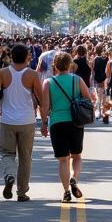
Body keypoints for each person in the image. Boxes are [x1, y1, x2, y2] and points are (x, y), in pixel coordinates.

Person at [0, 43, 44, 201]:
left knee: (7, 153)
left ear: (11, 56)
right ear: (28, 57)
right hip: (27, 120)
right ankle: (22, 192)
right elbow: (41, 99)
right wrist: (45, 120)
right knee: (25, 157)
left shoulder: (2, 73)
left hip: (7, 119)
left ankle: (9, 174)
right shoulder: (32, 75)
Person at [40, 51, 89, 202]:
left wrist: (43, 123)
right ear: (70, 65)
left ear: (54, 66)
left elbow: (45, 107)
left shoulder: (48, 83)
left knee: (63, 160)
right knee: (77, 156)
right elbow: (88, 98)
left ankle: (66, 191)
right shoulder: (77, 80)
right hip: (75, 122)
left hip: (57, 122)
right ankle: (74, 178)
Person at [92, 46, 109, 123]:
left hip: (97, 80)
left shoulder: (94, 60)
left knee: (98, 97)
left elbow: (92, 71)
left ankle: (98, 112)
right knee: (104, 97)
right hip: (104, 79)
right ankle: (103, 112)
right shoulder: (105, 59)